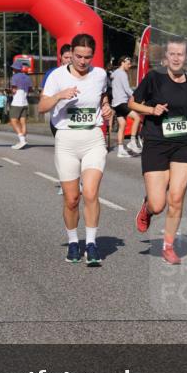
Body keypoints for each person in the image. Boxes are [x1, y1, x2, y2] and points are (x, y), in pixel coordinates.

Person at [128, 37, 187, 265]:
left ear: (186, 58)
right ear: (165, 58)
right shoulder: (154, 78)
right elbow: (132, 103)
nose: (176, 58)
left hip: (183, 144)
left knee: (176, 197)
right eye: (172, 54)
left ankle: (168, 246)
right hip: (156, 143)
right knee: (158, 204)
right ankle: (147, 207)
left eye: (180, 54)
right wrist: (151, 109)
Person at [37, 33, 114, 266]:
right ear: (71, 53)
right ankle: (73, 242)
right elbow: (42, 106)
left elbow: (102, 98)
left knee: (90, 193)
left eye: (87, 57)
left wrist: (108, 108)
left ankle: (91, 244)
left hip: (93, 138)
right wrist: (60, 95)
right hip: (66, 140)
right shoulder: (57, 76)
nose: (82, 61)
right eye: (78, 56)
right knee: (72, 199)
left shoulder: (100, 75)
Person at [43, 44, 72, 195]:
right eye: (66, 57)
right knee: (63, 153)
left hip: (76, 119)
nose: (69, 60)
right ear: (60, 58)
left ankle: (76, 180)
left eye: (70, 57)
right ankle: (64, 182)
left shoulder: (79, 73)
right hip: (58, 119)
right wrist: (59, 95)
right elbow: (44, 98)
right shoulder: (52, 74)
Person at [110, 55, 142, 158]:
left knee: (122, 125)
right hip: (121, 102)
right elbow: (127, 89)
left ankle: (120, 150)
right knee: (137, 118)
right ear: (122, 62)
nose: (130, 65)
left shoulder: (114, 74)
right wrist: (136, 97)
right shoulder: (122, 74)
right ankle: (132, 141)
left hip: (115, 103)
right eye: (128, 63)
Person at [8, 61, 31, 149]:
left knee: (13, 121)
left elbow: (14, 90)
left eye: (13, 68)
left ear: (15, 68)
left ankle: (22, 140)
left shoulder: (15, 77)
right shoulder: (27, 77)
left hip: (17, 102)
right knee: (23, 123)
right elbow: (30, 89)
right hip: (25, 102)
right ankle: (23, 141)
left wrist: (9, 90)